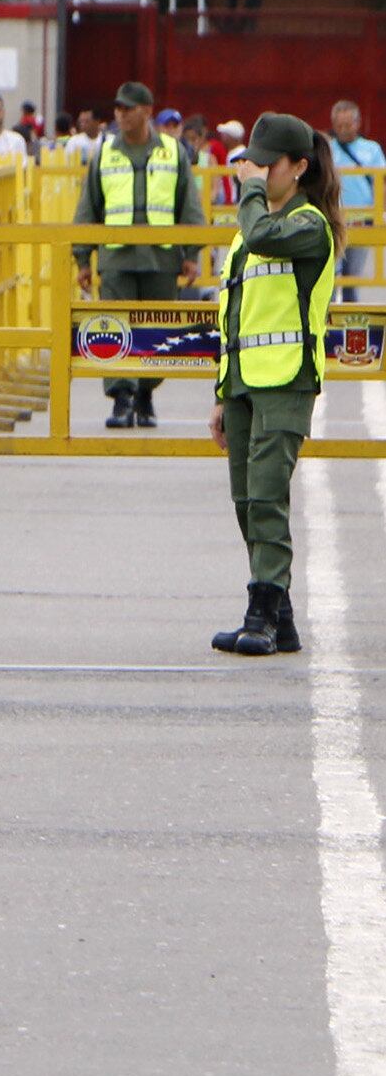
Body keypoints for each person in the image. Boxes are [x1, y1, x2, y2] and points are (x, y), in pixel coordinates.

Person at [207, 112, 340, 658]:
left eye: (268, 165)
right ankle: (279, 617)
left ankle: (260, 611)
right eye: (252, 164)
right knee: (245, 499)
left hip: (287, 379)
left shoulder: (308, 226)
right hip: (243, 381)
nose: (256, 173)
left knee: (266, 495)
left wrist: (251, 194)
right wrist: (221, 392)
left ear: (299, 167)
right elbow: (232, 313)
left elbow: (262, 234)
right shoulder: (250, 232)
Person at [74, 81, 205, 430]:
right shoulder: (105, 153)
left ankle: (146, 394)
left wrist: (192, 253)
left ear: (146, 111)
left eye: (127, 108)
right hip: (116, 259)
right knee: (114, 328)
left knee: (158, 329)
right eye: (117, 109)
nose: (120, 114)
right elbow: (88, 207)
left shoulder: (172, 152)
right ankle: (121, 398)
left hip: (161, 259)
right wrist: (82, 259)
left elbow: (188, 204)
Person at [325, 99, 382, 290]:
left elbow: (380, 183)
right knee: (328, 277)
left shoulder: (371, 149)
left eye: (348, 125)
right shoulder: (327, 149)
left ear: (357, 123)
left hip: (362, 219)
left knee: (352, 279)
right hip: (333, 218)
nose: (343, 129)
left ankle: (352, 318)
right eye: (339, 125)